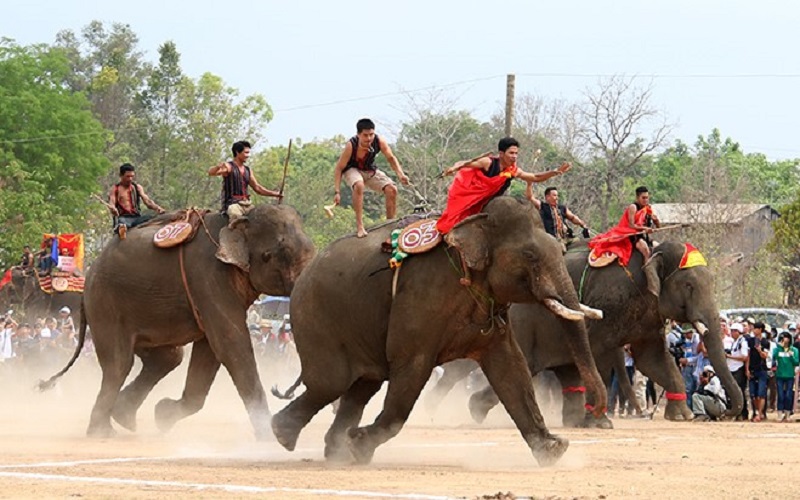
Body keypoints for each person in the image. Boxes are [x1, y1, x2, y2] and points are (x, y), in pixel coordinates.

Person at [436, 137, 570, 234]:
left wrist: (553, 172)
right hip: (468, 197)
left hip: (490, 203)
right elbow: (464, 163)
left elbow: (535, 177)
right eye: (511, 153)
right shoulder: (487, 162)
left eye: (516, 153)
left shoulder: (513, 170)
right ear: (501, 154)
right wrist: (454, 167)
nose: (514, 156)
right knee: (452, 225)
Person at [332, 118, 409, 238]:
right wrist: (337, 191)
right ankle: (360, 226)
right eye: (365, 135)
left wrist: (400, 174)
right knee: (359, 185)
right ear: (358, 134)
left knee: (392, 189)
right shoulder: (351, 145)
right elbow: (338, 168)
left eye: (371, 135)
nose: (368, 138)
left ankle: (390, 225)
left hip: (369, 170)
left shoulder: (379, 141)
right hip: (352, 170)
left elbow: (391, 158)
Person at [208, 140, 282, 222]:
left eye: (248, 153)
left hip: (247, 204)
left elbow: (257, 188)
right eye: (246, 153)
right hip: (233, 205)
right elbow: (211, 172)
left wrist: (275, 194)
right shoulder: (228, 167)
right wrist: (217, 167)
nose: (248, 155)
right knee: (238, 221)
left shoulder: (248, 170)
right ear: (237, 152)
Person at [588, 186, 661, 265]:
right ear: (637, 197)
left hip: (643, 236)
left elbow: (658, 228)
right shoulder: (633, 207)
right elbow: (631, 225)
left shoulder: (647, 208)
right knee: (645, 250)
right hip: (631, 236)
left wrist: (656, 221)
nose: (646, 200)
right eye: (643, 198)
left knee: (659, 247)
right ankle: (648, 271)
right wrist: (645, 228)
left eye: (647, 198)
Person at [108, 163, 165, 239]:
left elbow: (147, 201)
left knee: (152, 219)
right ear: (121, 176)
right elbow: (112, 202)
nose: (130, 179)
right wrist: (112, 209)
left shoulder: (137, 187)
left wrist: (158, 208)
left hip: (137, 218)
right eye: (127, 176)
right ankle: (120, 231)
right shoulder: (115, 189)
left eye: (132, 176)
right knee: (122, 224)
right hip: (124, 218)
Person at [772, 331, 799, 422]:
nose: (785, 340)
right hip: (780, 375)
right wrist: (780, 347)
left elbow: (796, 362)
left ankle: (787, 413)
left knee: (788, 395)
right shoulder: (777, 349)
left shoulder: (794, 350)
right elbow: (774, 358)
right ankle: (780, 413)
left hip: (790, 375)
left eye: (786, 337)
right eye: (783, 338)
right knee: (780, 394)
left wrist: (791, 356)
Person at [746, 321, 770, 422]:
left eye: (756, 328)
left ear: (760, 330)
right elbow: (748, 356)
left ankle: (760, 414)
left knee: (761, 393)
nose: (754, 330)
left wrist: (760, 350)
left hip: (762, 369)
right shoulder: (750, 341)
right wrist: (747, 369)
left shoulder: (765, 342)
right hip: (752, 369)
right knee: (753, 394)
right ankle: (756, 411)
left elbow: (765, 356)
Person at [726, 322, 750, 421]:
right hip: (732, 368)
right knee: (733, 391)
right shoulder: (734, 342)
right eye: (731, 331)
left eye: (734, 331)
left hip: (738, 369)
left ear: (739, 332)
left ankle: (743, 413)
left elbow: (744, 357)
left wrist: (729, 356)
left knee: (739, 391)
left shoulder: (742, 342)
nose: (732, 333)